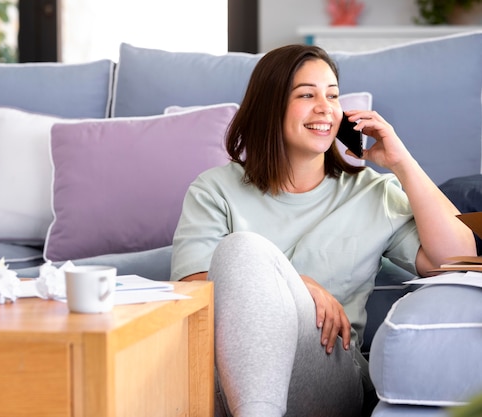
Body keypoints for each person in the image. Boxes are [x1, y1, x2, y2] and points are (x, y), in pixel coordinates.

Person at [170, 44, 476, 417]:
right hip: (229, 373)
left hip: (330, 366)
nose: (325, 107)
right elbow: (191, 292)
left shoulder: (372, 193)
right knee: (242, 249)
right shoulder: (214, 189)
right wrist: (299, 285)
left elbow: (456, 261)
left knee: (243, 247)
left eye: (332, 95)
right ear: (270, 106)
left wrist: (402, 163)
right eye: (306, 94)